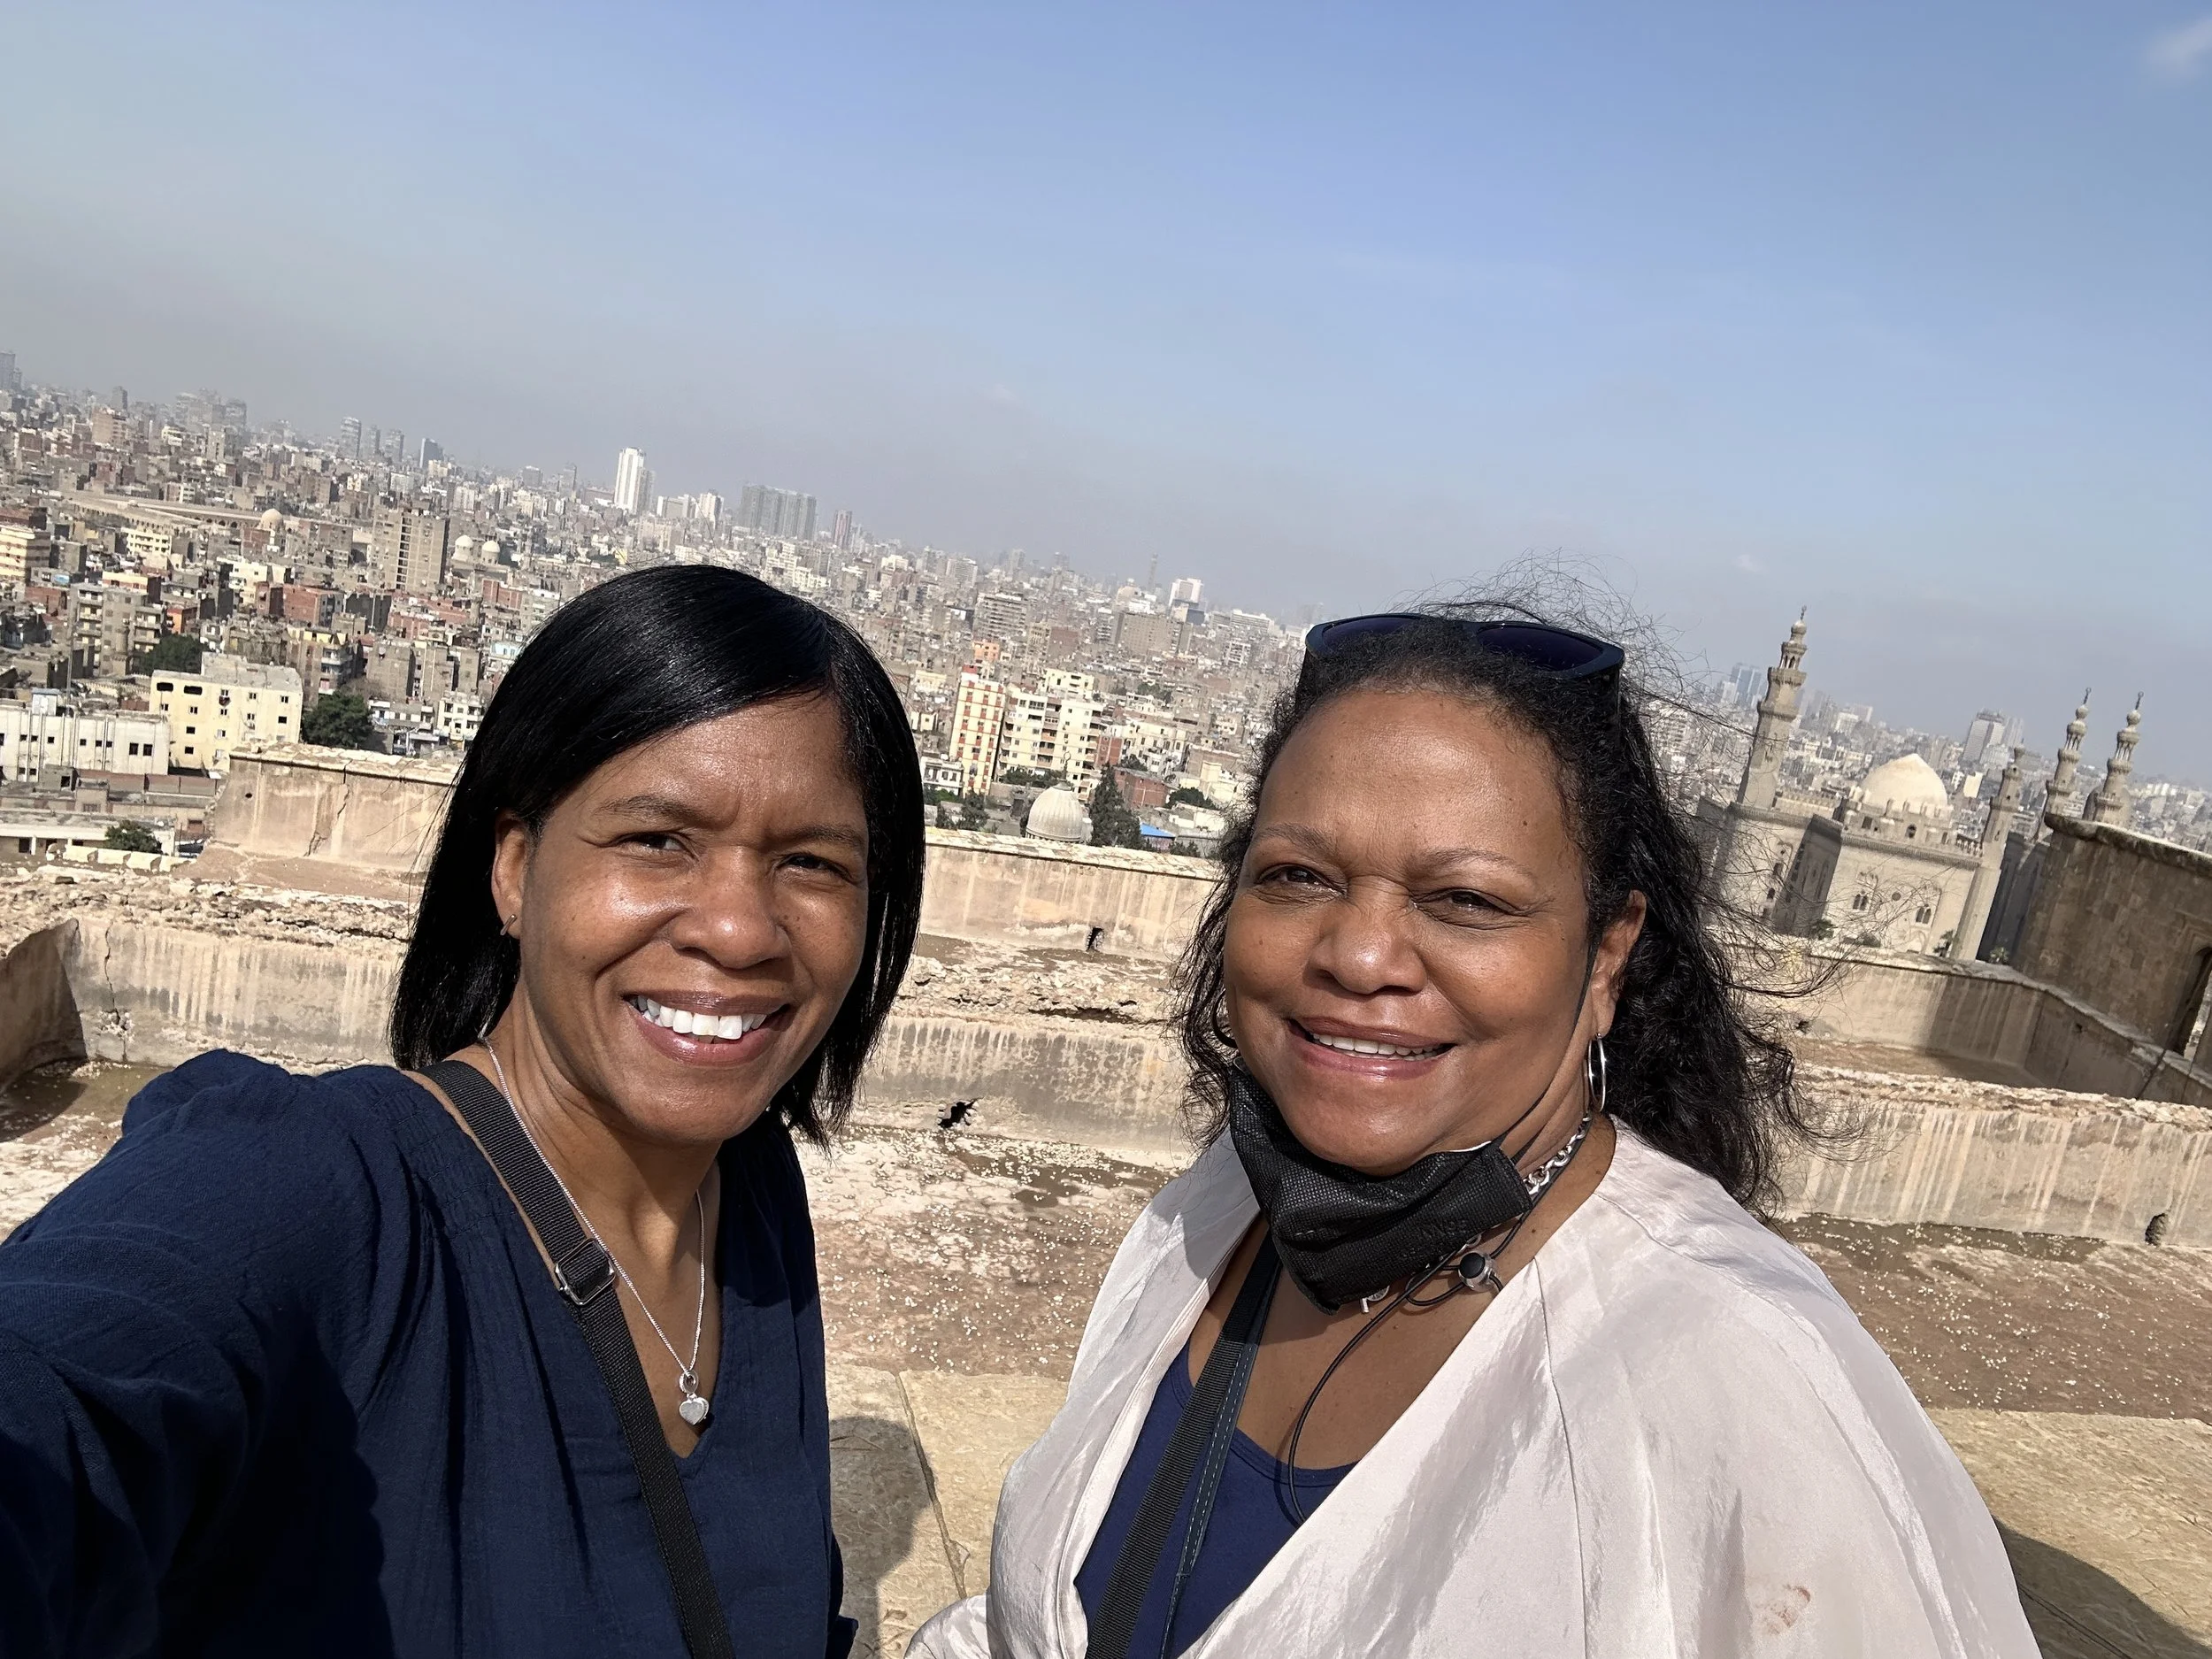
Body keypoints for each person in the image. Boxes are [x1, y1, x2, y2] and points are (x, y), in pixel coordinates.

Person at [915, 608, 2036, 1658]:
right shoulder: (1220, 1213)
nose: (1359, 957)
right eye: (1297, 877)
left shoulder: (1741, 1379)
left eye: (1465, 901)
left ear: (1604, 953)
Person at [0, 566, 924, 1657]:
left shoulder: (748, 1192)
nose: (738, 930)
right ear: (515, 864)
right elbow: (70, 1383)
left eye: (811, 863)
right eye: (657, 841)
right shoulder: (313, 1193)